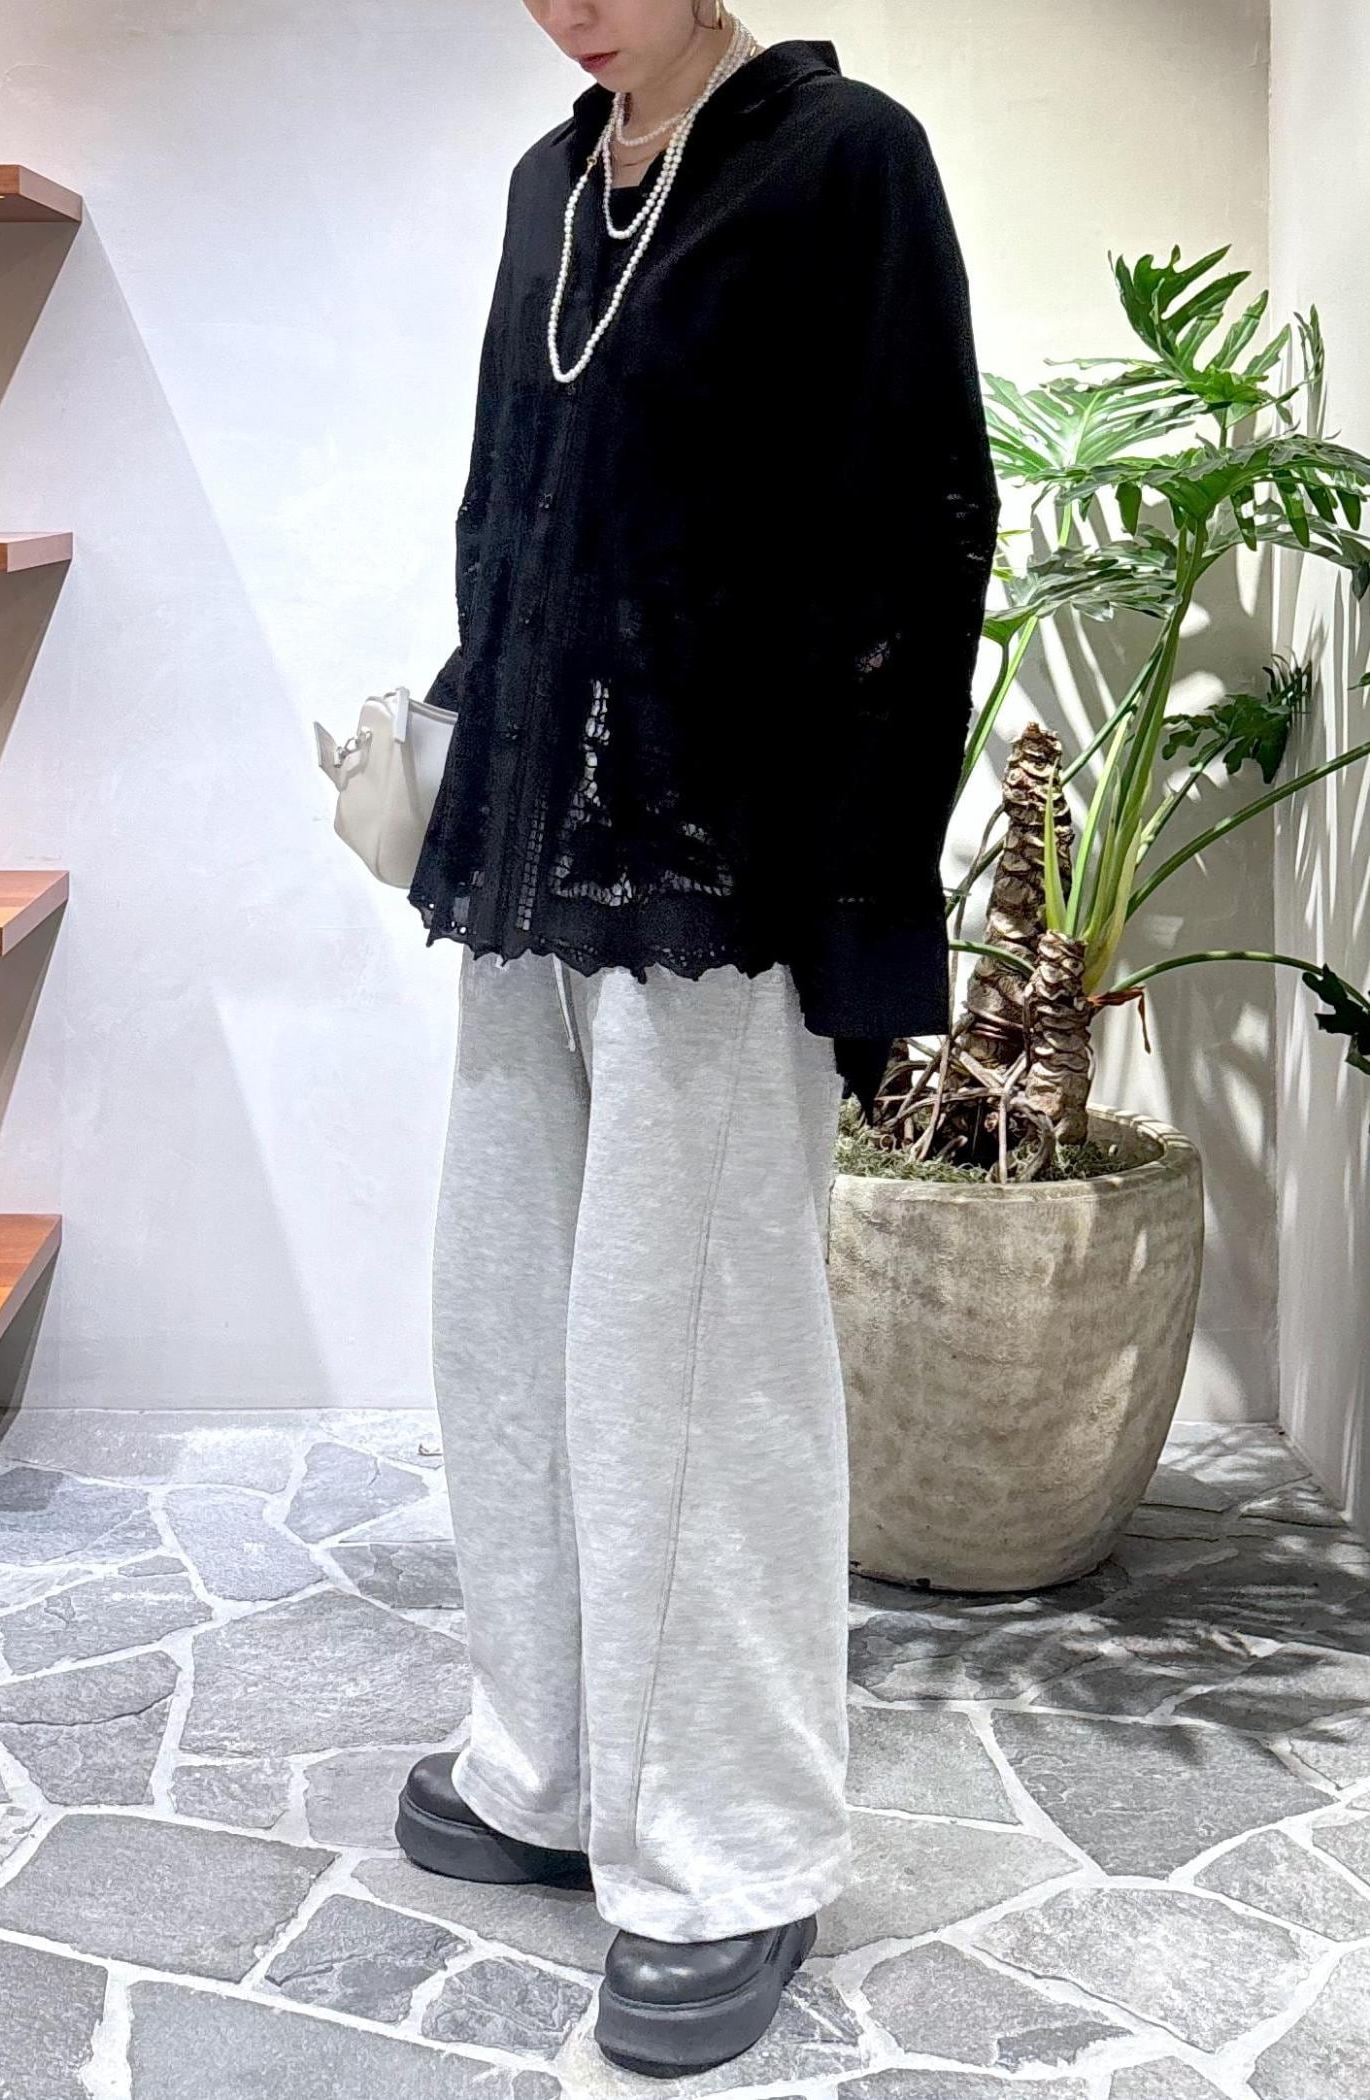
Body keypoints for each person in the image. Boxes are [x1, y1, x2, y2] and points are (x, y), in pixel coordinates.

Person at [394, 1, 999, 2078]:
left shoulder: (845, 160)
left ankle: (732, 1851)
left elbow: (920, 535)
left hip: (722, 885)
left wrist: (862, 901)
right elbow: (509, 512)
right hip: (529, 862)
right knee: (506, 1330)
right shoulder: (547, 186)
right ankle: (548, 1759)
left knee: (702, 1369)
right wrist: (456, 756)